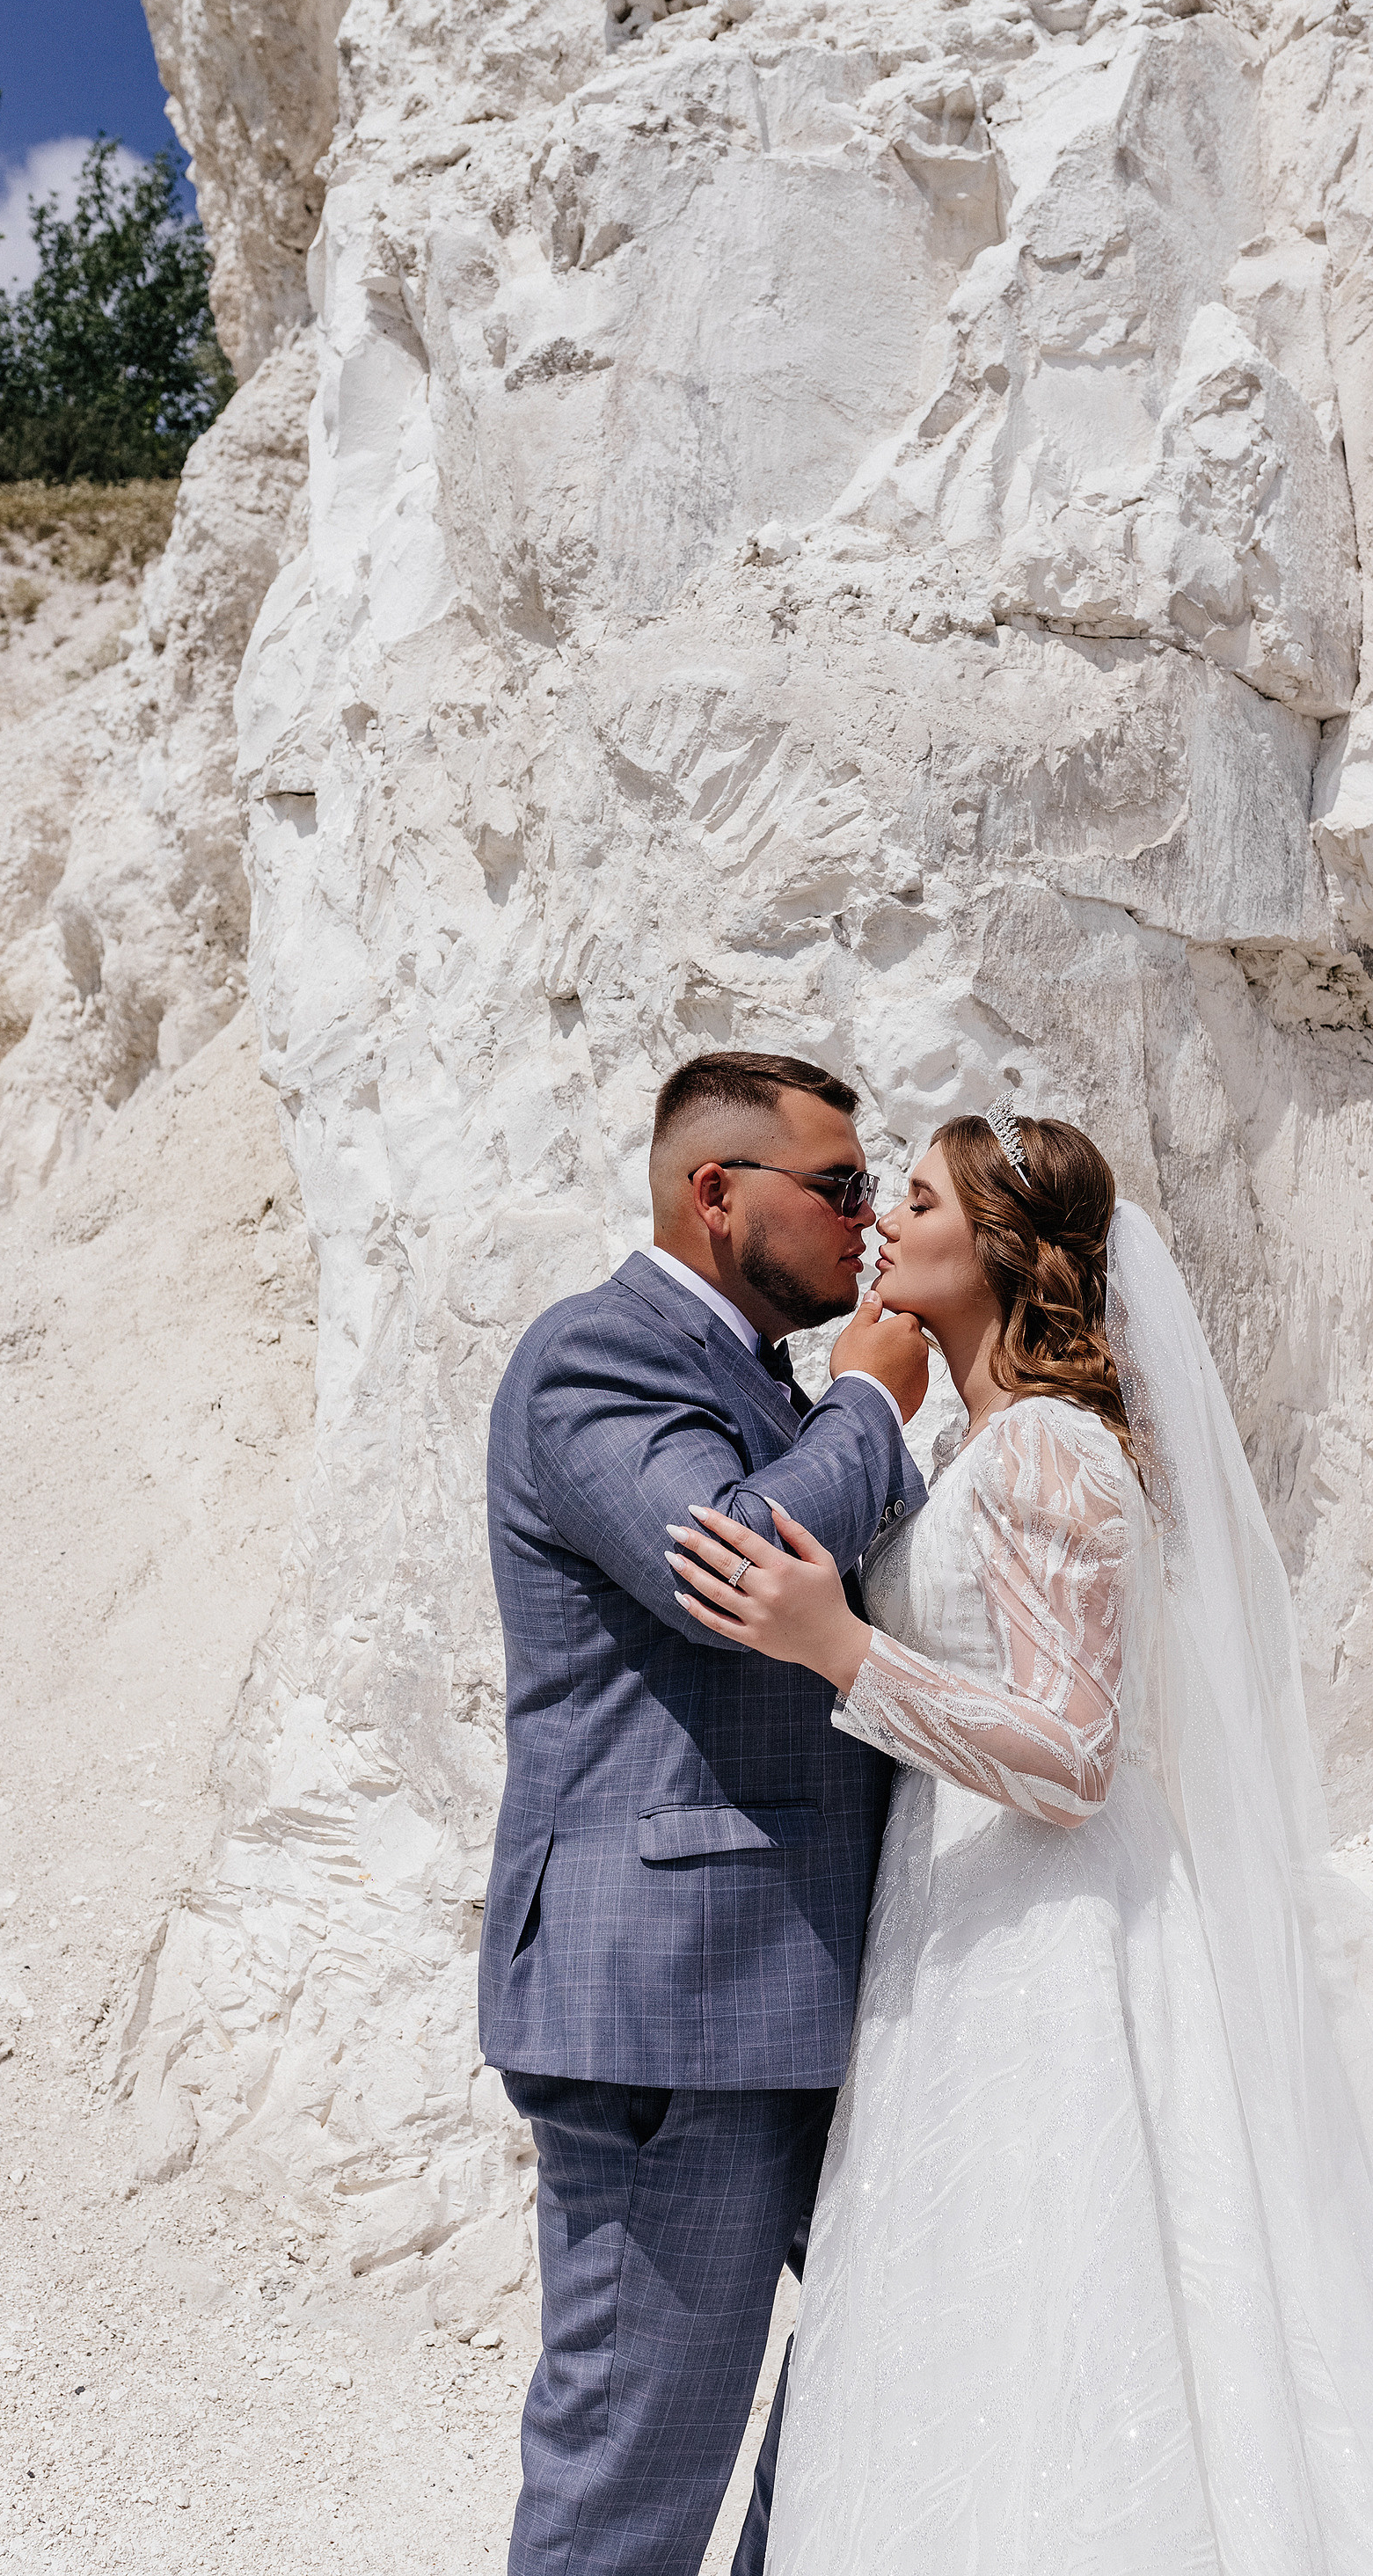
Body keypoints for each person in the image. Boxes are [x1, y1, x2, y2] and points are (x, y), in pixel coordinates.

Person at [667, 1100, 1373, 2576]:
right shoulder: (974, 1457)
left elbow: (1073, 1759)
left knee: (1077, 2306)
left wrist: (839, 1652)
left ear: (1000, 1253)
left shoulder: (1055, 1455)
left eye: (919, 1205)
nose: (881, 1223)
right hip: (949, 1940)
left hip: (1058, 1947)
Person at [479, 1049, 931, 2576]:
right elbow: (731, 1570)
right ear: (717, 1194)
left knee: (899, 2381)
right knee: (632, 2479)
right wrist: (872, 1396)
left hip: (808, 1984)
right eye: (843, 1188)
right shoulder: (593, 1356)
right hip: (670, 2009)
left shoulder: (761, 1383)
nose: (870, 1228)